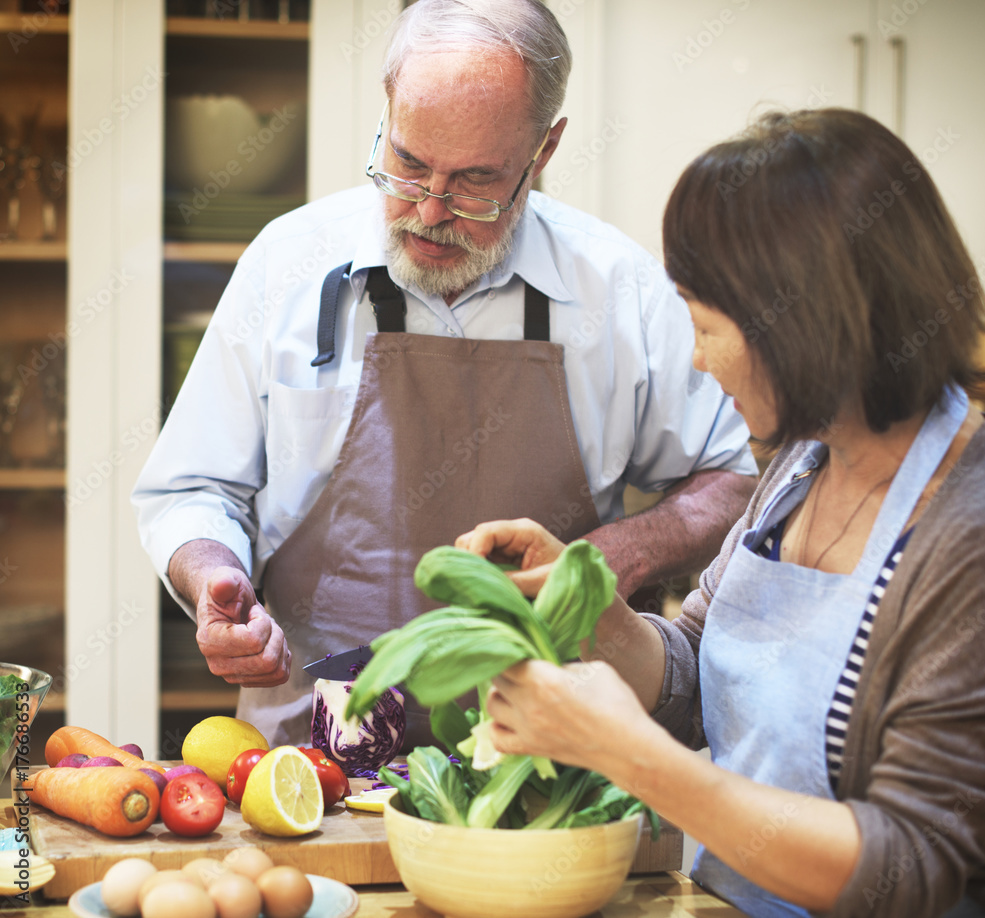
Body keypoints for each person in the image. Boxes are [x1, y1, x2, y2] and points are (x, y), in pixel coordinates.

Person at [131, 0, 757, 748]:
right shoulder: (287, 263)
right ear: (389, 107)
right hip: (308, 765)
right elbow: (192, 488)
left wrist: (620, 556)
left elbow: (736, 476)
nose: (428, 210)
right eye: (407, 164)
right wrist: (211, 579)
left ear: (544, 150)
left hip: (543, 760)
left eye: (474, 182)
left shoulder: (617, 290)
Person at [461, 108, 985, 917]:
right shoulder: (803, 460)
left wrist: (628, 754)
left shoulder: (974, 536)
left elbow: (910, 867)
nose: (697, 356)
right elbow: (697, 677)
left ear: (809, 327)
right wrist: (586, 602)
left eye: (705, 321)